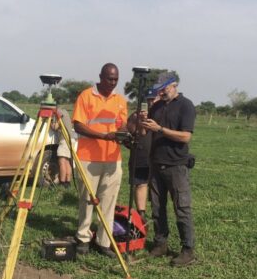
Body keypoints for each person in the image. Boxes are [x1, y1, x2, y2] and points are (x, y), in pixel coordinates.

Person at [141, 72, 196, 267]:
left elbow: (185, 137)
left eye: (165, 88)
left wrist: (160, 129)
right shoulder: (156, 106)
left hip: (176, 166)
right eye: (160, 88)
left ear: (174, 85)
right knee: (157, 208)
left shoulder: (186, 106)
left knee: (182, 208)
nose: (161, 92)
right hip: (156, 164)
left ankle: (188, 250)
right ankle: (160, 244)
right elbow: (147, 131)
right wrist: (142, 123)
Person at [72, 63, 128, 257]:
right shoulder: (86, 96)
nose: (112, 83)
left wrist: (129, 131)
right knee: (87, 200)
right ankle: (83, 238)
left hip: (113, 159)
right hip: (88, 158)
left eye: (116, 79)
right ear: (100, 77)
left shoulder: (120, 100)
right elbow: (78, 125)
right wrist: (104, 136)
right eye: (109, 79)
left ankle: (104, 242)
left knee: (108, 201)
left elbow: (122, 126)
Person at [127, 89, 159, 219]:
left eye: (154, 99)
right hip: (140, 155)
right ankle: (141, 214)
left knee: (157, 186)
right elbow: (133, 133)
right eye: (149, 99)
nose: (151, 102)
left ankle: (157, 213)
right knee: (141, 183)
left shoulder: (163, 114)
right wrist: (140, 120)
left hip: (158, 156)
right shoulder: (136, 116)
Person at [52, 107, 76, 188]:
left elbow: (55, 127)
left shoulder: (58, 112)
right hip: (71, 139)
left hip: (64, 140)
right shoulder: (65, 111)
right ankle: (67, 182)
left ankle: (62, 182)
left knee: (62, 162)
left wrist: (50, 122)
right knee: (67, 162)